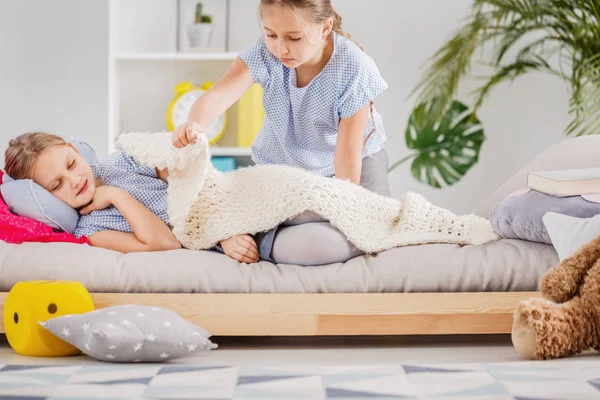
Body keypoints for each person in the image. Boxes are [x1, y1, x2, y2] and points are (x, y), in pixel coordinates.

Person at [171, 0, 390, 265]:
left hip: (353, 169)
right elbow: (218, 94)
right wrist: (194, 123)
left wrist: (343, 211)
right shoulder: (266, 54)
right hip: (284, 169)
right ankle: (249, 231)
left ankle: (263, 231)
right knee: (315, 230)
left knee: (366, 232)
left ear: (325, 28)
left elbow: (347, 159)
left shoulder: (354, 67)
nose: (280, 48)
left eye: (294, 38)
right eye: (270, 34)